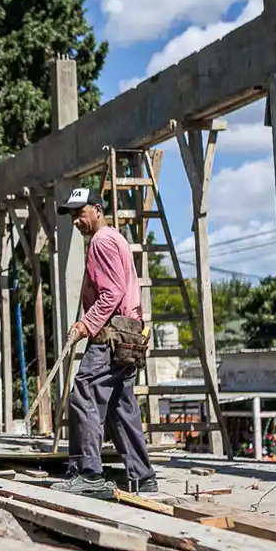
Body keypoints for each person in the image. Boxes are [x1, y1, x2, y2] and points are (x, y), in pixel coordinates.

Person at [53, 187, 158, 497]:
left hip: (111, 334)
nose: (75, 221)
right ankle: (142, 475)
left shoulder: (101, 241)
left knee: (84, 391)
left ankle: (87, 473)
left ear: (97, 209)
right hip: (129, 333)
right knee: (119, 404)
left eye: (80, 213)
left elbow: (111, 294)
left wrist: (86, 323)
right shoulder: (116, 239)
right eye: (72, 215)